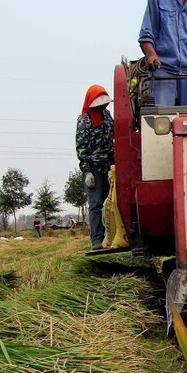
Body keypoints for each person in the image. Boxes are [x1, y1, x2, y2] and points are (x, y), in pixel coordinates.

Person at [76, 84, 114, 250]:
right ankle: (96, 240)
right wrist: (87, 171)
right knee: (95, 203)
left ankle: (109, 238)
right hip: (93, 169)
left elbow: (114, 135)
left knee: (109, 203)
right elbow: (81, 147)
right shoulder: (83, 121)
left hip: (109, 166)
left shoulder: (107, 116)